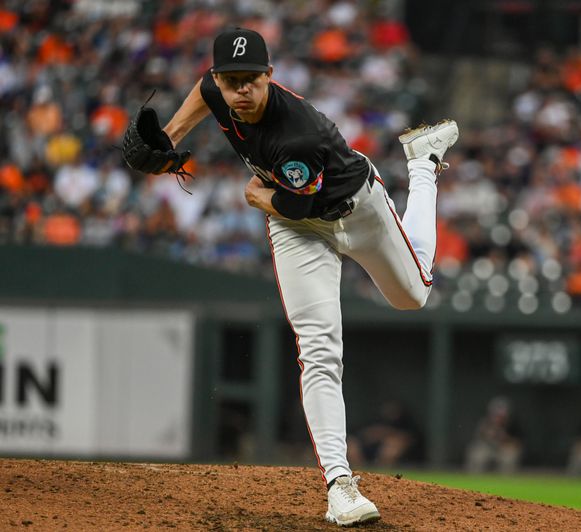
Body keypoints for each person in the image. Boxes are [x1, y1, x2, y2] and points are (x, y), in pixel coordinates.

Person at [146, 28, 458, 526]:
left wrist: (253, 197)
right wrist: (168, 140)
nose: (240, 90)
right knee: (318, 348)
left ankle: (422, 166)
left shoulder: (298, 132)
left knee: (414, 297)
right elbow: (203, 95)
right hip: (297, 230)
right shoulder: (217, 90)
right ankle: (340, 484)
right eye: (232, 80)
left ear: (270, 77)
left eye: (251, 79)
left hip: (356, 210)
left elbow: (296, 201)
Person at [464, 396, 523, 473]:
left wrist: (506, 438)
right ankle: (474, 480)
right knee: (477, 454)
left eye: (502, 414)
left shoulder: (514, 424)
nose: (499, 417)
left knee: (509, 458)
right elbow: (478, 438)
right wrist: (488, 434)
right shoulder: (485, 422)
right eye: (496, 414)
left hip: (504, 449)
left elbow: (518, 443)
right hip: (488, 448)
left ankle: (505, 482)